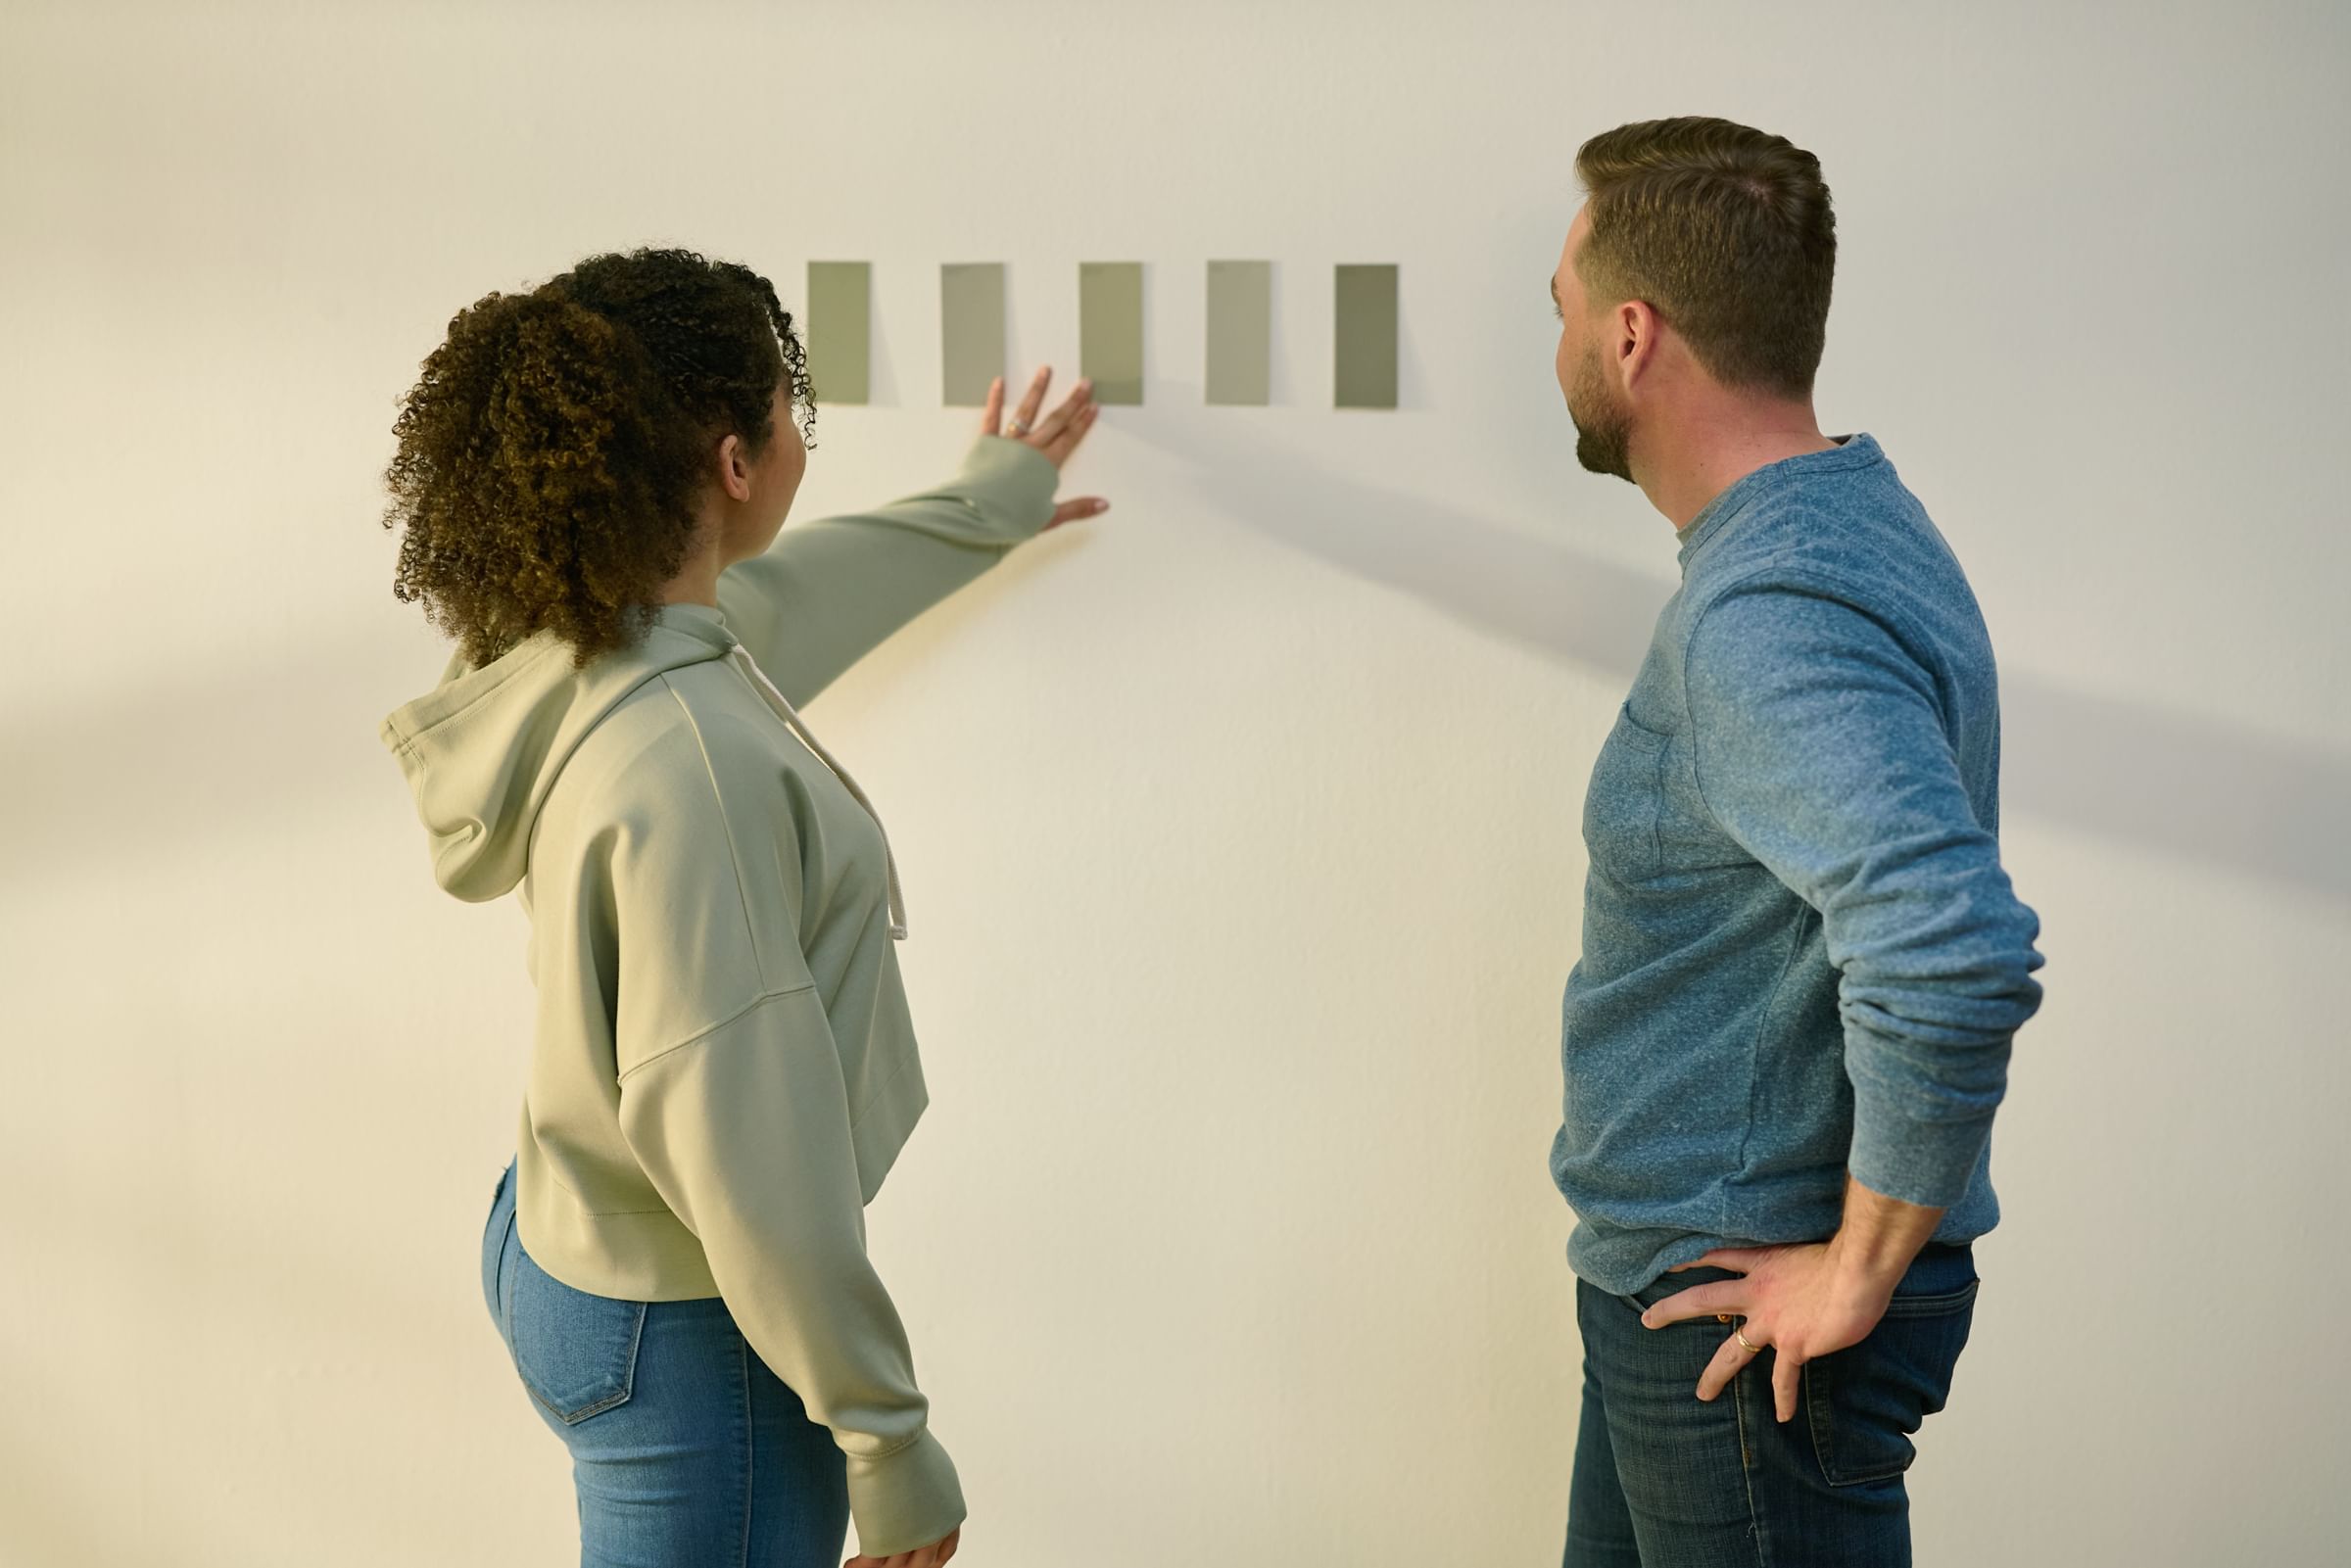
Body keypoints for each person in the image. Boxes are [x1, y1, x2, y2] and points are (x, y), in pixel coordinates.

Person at [375, 247, 1108, 1568]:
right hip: (692, 1335)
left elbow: (791, 596)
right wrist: (890, 1443)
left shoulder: (579, 645)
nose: (800, 441)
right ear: (732, 461)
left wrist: (989, 501)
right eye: (793, 411)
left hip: (563, 1235)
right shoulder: (694, 772)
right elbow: (754, 1164)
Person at [1544, 118, 2046, 1566]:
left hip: (1744, 1335)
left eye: (1562, 307)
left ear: (1631, 336)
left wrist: (1859, 1265)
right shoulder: (1846, 517)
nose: (1560, 338)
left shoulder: (1765, 617)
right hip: (1688, 1293)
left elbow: (1948, 945)